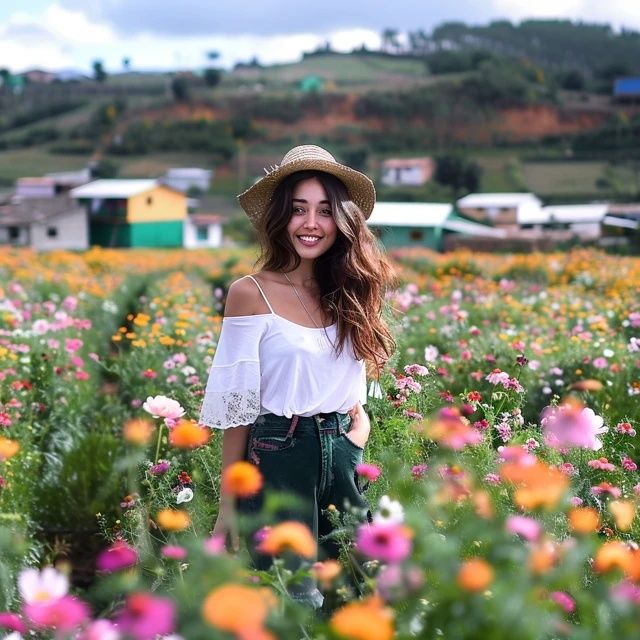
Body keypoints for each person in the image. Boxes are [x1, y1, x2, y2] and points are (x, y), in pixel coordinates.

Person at [199, 144, 395, 607]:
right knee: (294, 603)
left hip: (342, 452)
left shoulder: (349, 289)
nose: (311, 223)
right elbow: (237, 407)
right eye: (299, 210)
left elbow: (351, 378)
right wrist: (228, 504)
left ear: (342, 221)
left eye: (325, 211)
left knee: (355, 593)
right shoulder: (251, 293)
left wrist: (356, 435)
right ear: (280, 218)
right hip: (278, 454)